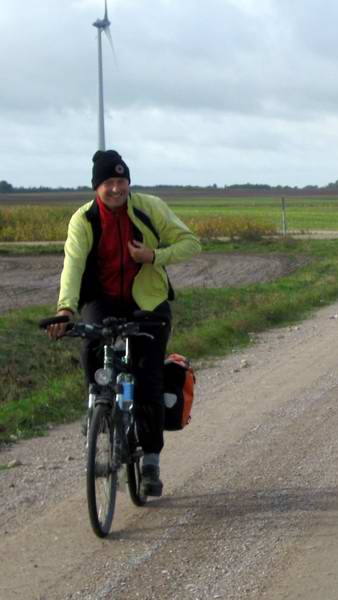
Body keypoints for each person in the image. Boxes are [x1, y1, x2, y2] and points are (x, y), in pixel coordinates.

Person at [46, 149, 201, 497]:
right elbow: (72, 265)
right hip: (102, 298)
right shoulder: (84, 220)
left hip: (147, 300)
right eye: (108, 183)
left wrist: (154, 256)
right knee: (90, 347)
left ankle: (150, 461)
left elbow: (192, 243)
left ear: (128, 182)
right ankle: (98, 407)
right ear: (96, 187)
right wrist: (66, 309)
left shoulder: (150, 207)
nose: (116, 189)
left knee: (147, 380)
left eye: (121, 181)